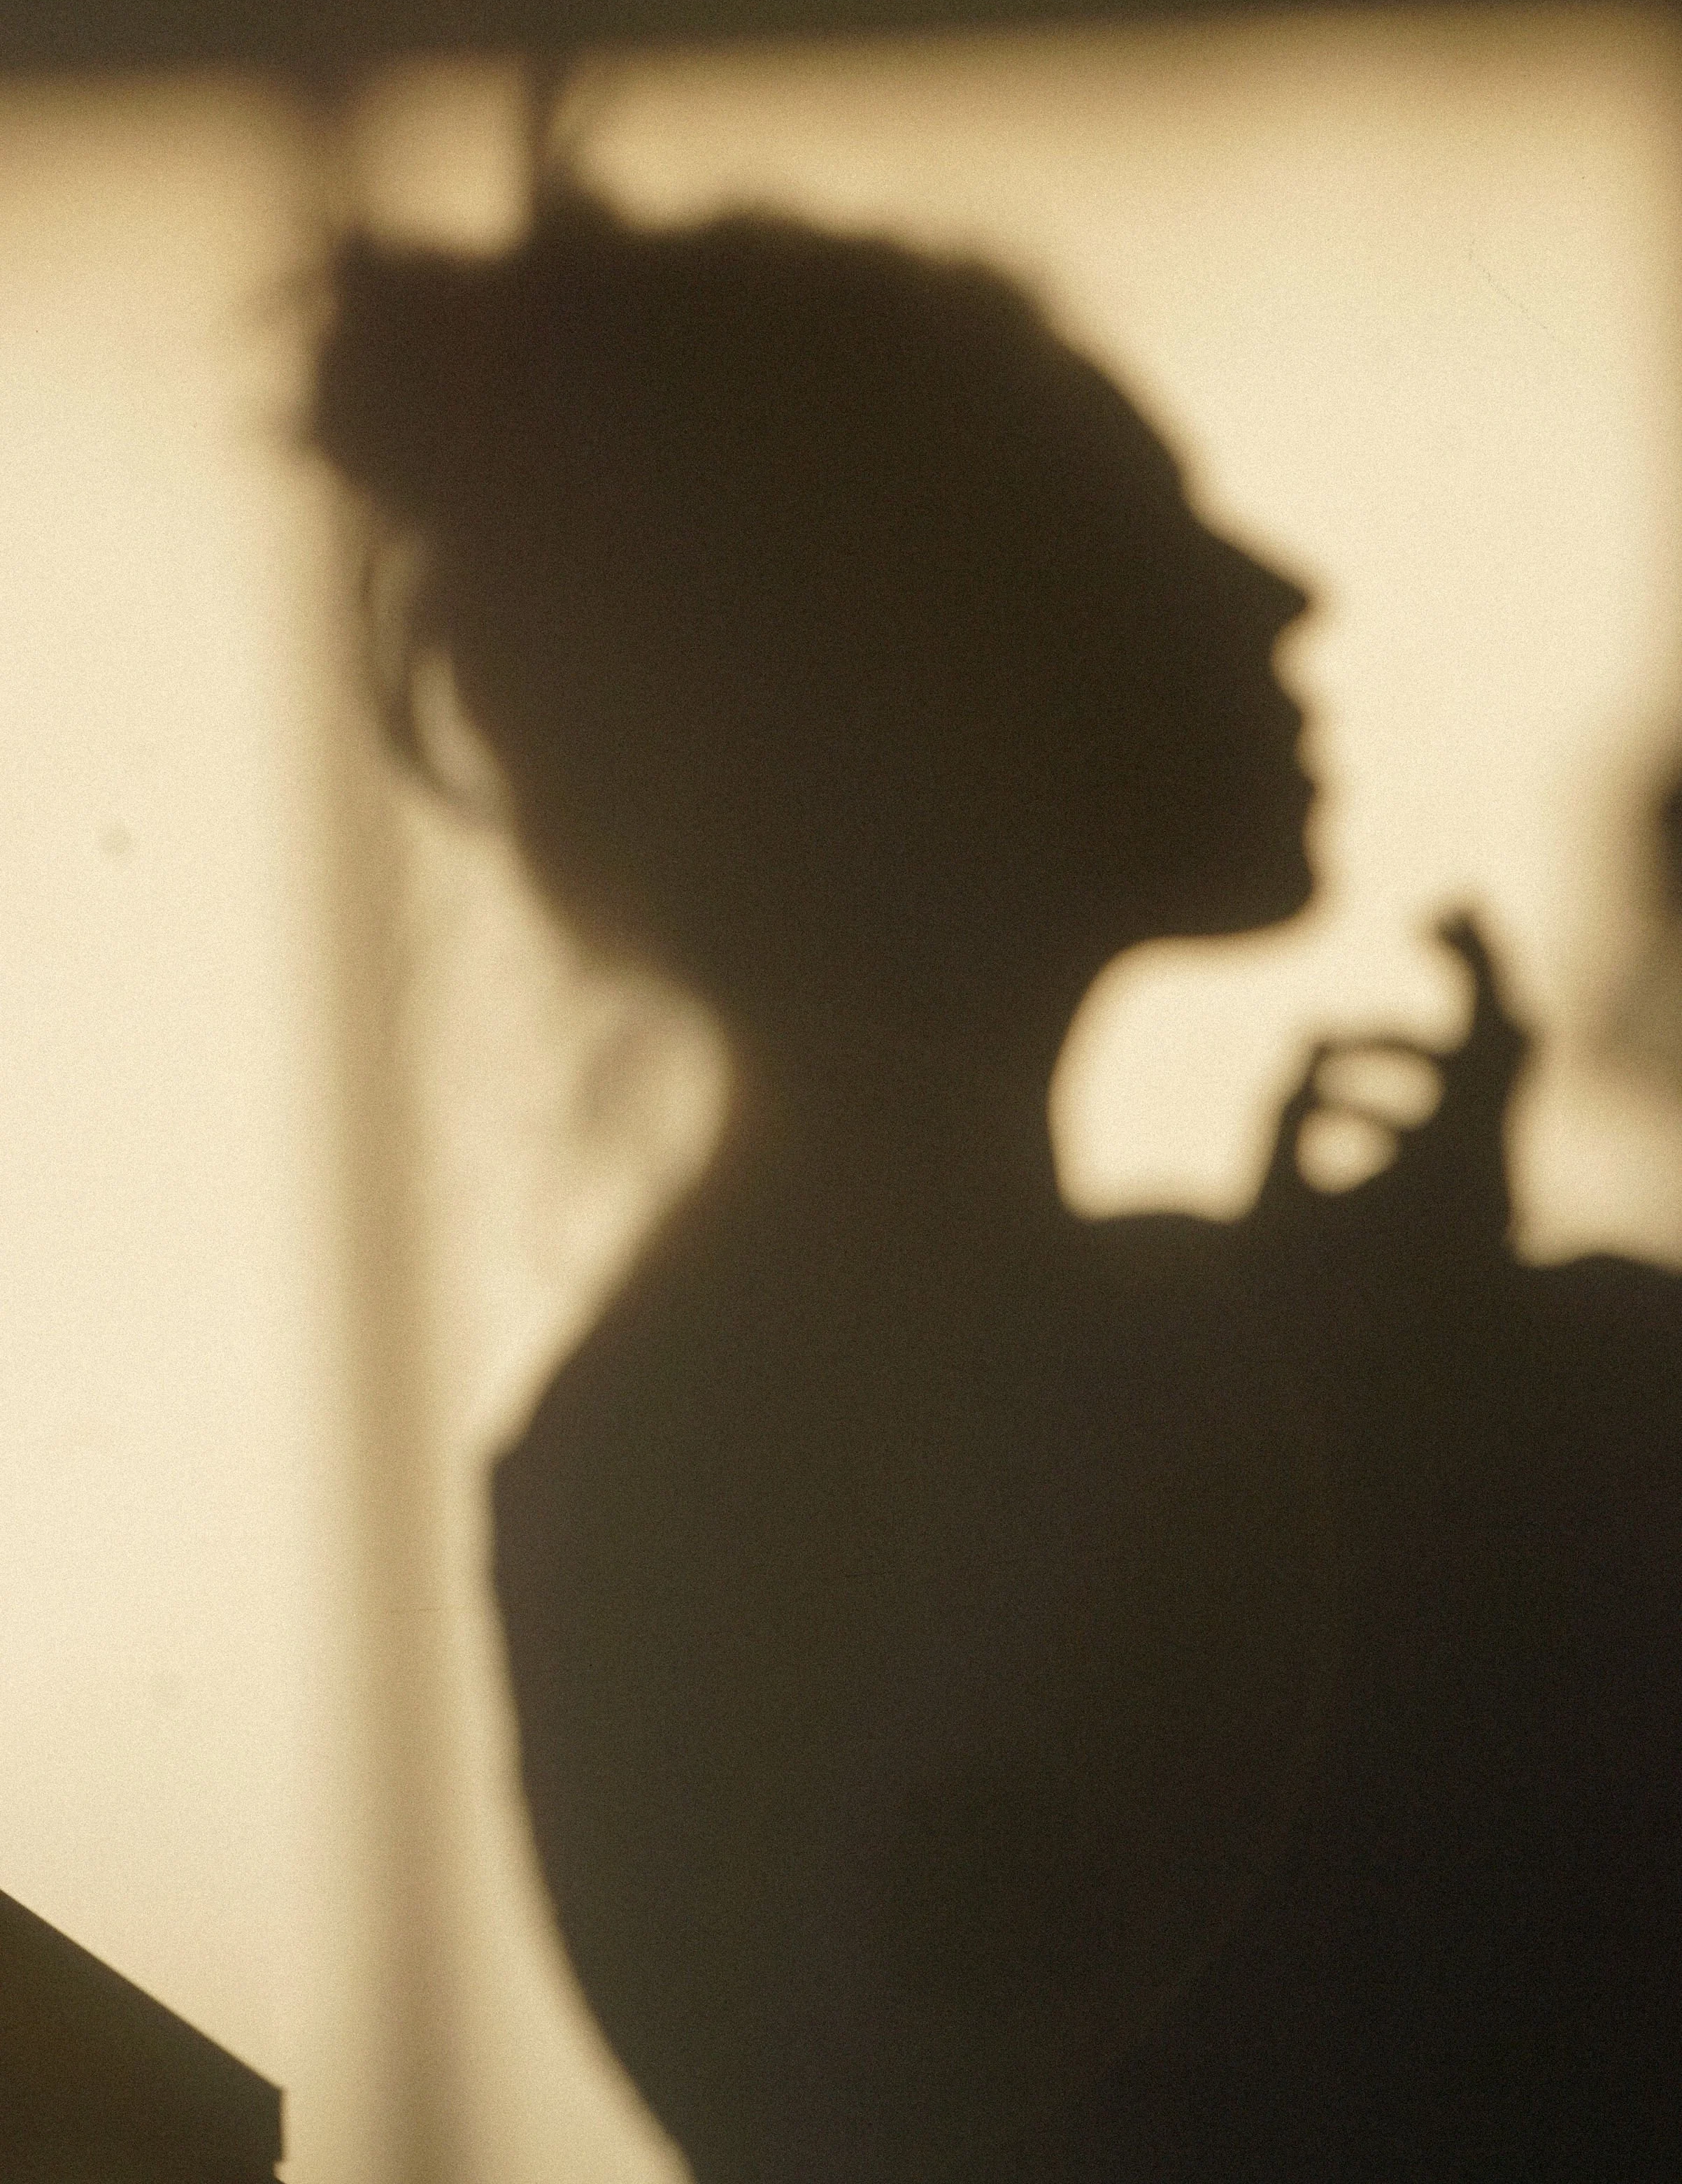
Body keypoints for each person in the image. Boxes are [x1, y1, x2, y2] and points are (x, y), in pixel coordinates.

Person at [309, 190, 1682, 2181]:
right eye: (1151, 539)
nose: (1278, 594)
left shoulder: (770, 1423)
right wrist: (1411, 1408)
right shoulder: (715, 1467)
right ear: (910, 675)